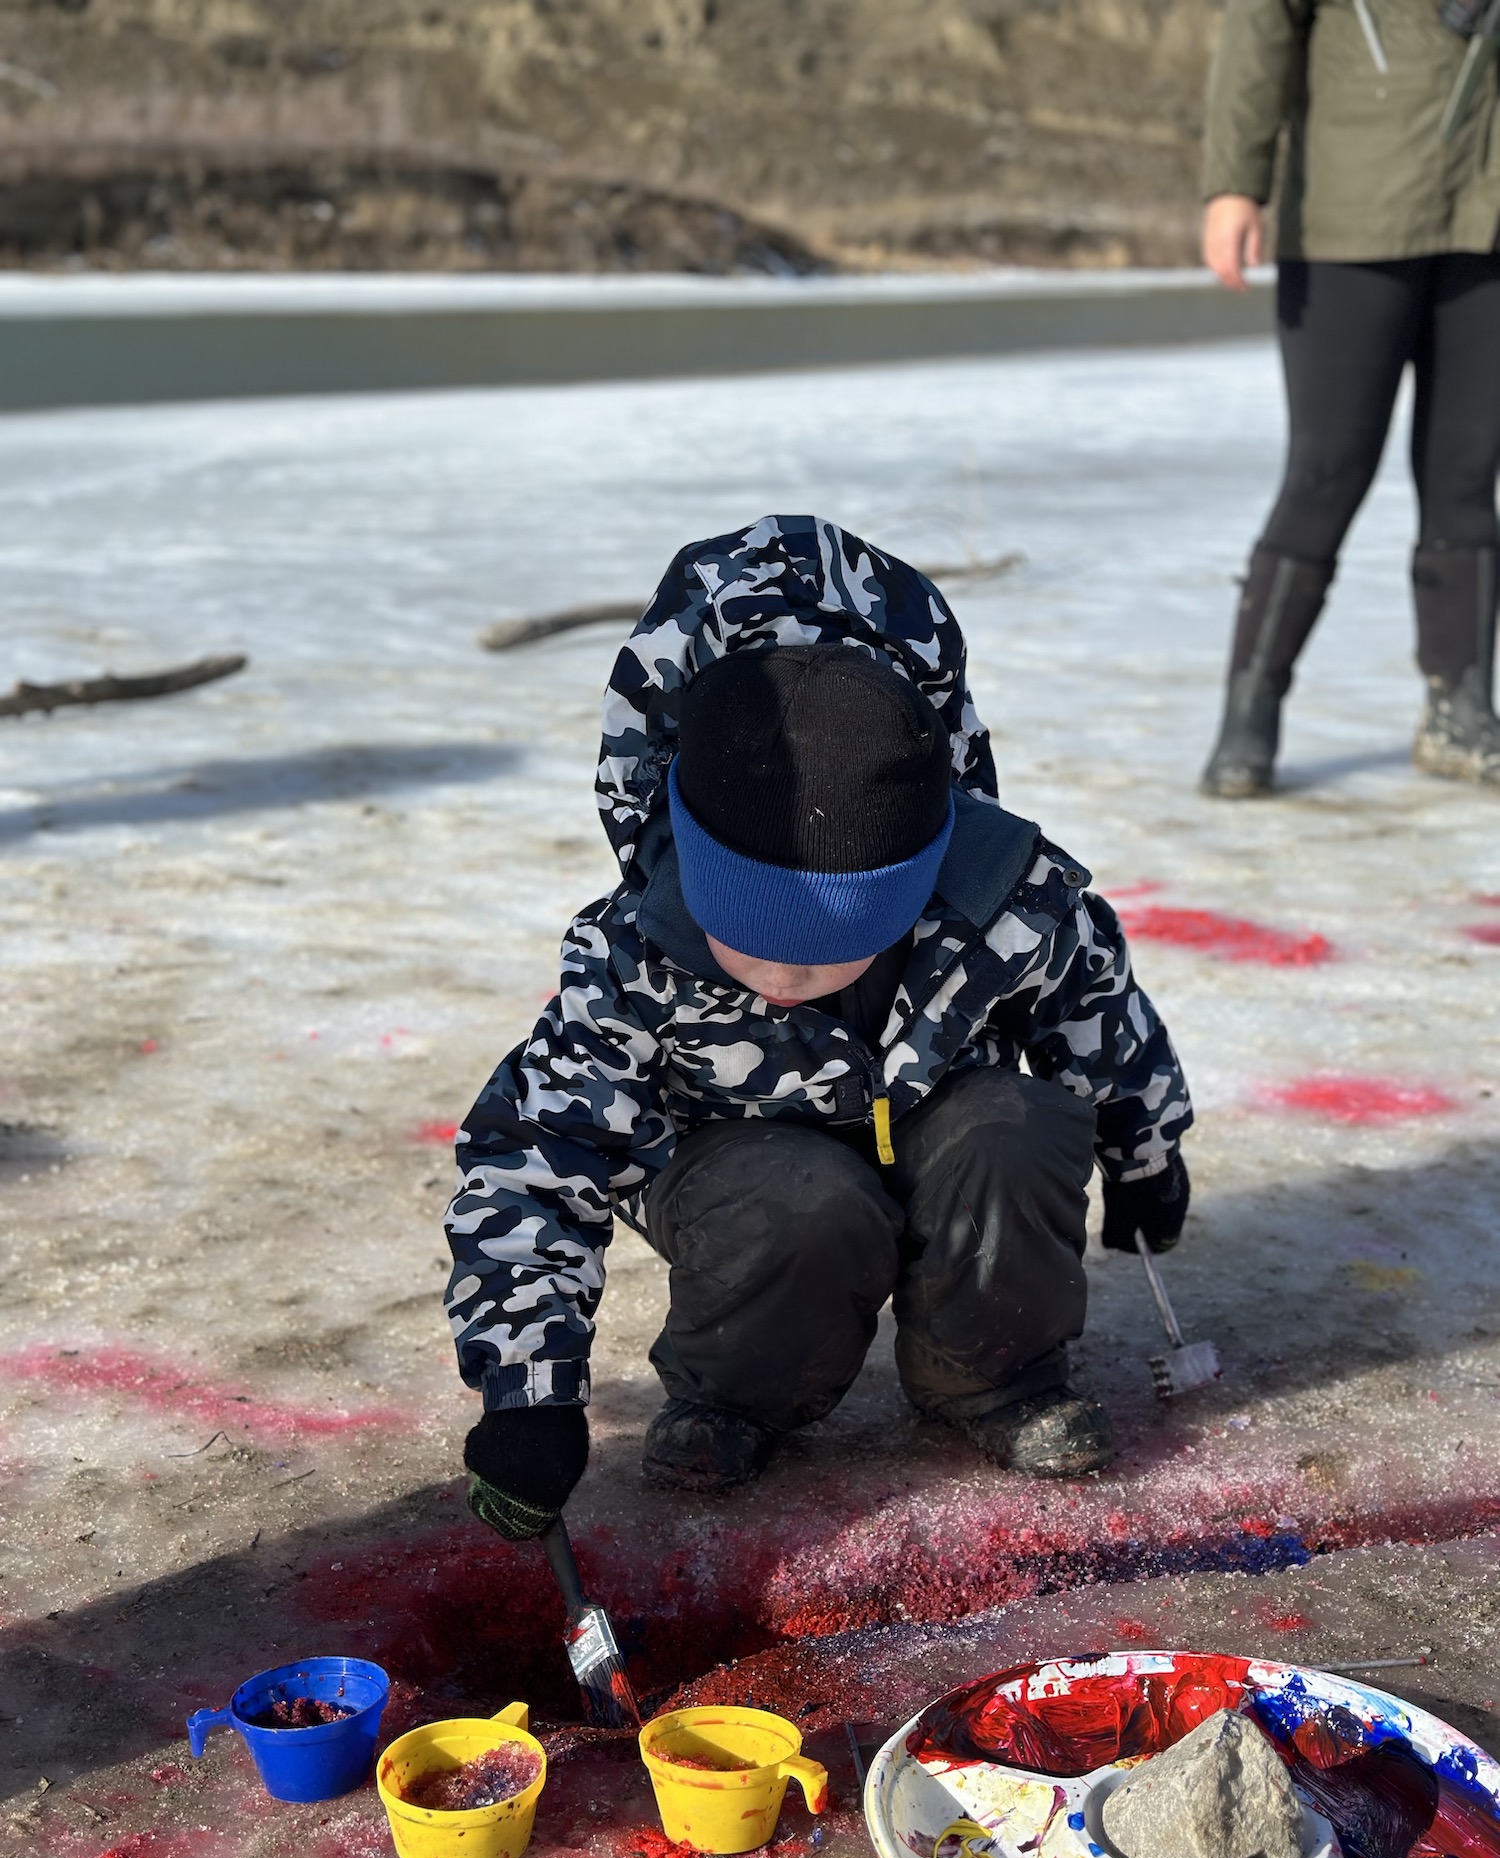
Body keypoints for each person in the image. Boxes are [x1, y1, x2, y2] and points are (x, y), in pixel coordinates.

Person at [445, 517, 1192, 1543]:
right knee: (798, 1193)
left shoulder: (1004, 899)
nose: (785, 980)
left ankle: (994, 1374)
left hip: (939, 1134)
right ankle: (740, 1394)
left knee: (1014, 1125)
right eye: (747, 941)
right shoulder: (635, 953)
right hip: (740, 1168)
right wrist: (528, 1397)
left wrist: (1146, 1156)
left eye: (830, 947)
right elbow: (536, 1161)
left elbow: (1099, 1018)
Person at [1199, 0, 1500, 796]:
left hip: (1491, 218)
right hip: (1356, 210)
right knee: (1326, 471)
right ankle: (1249, 715)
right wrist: (1234, 182)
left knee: (1469, 472)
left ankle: (1462, 710)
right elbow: (1261, 22)